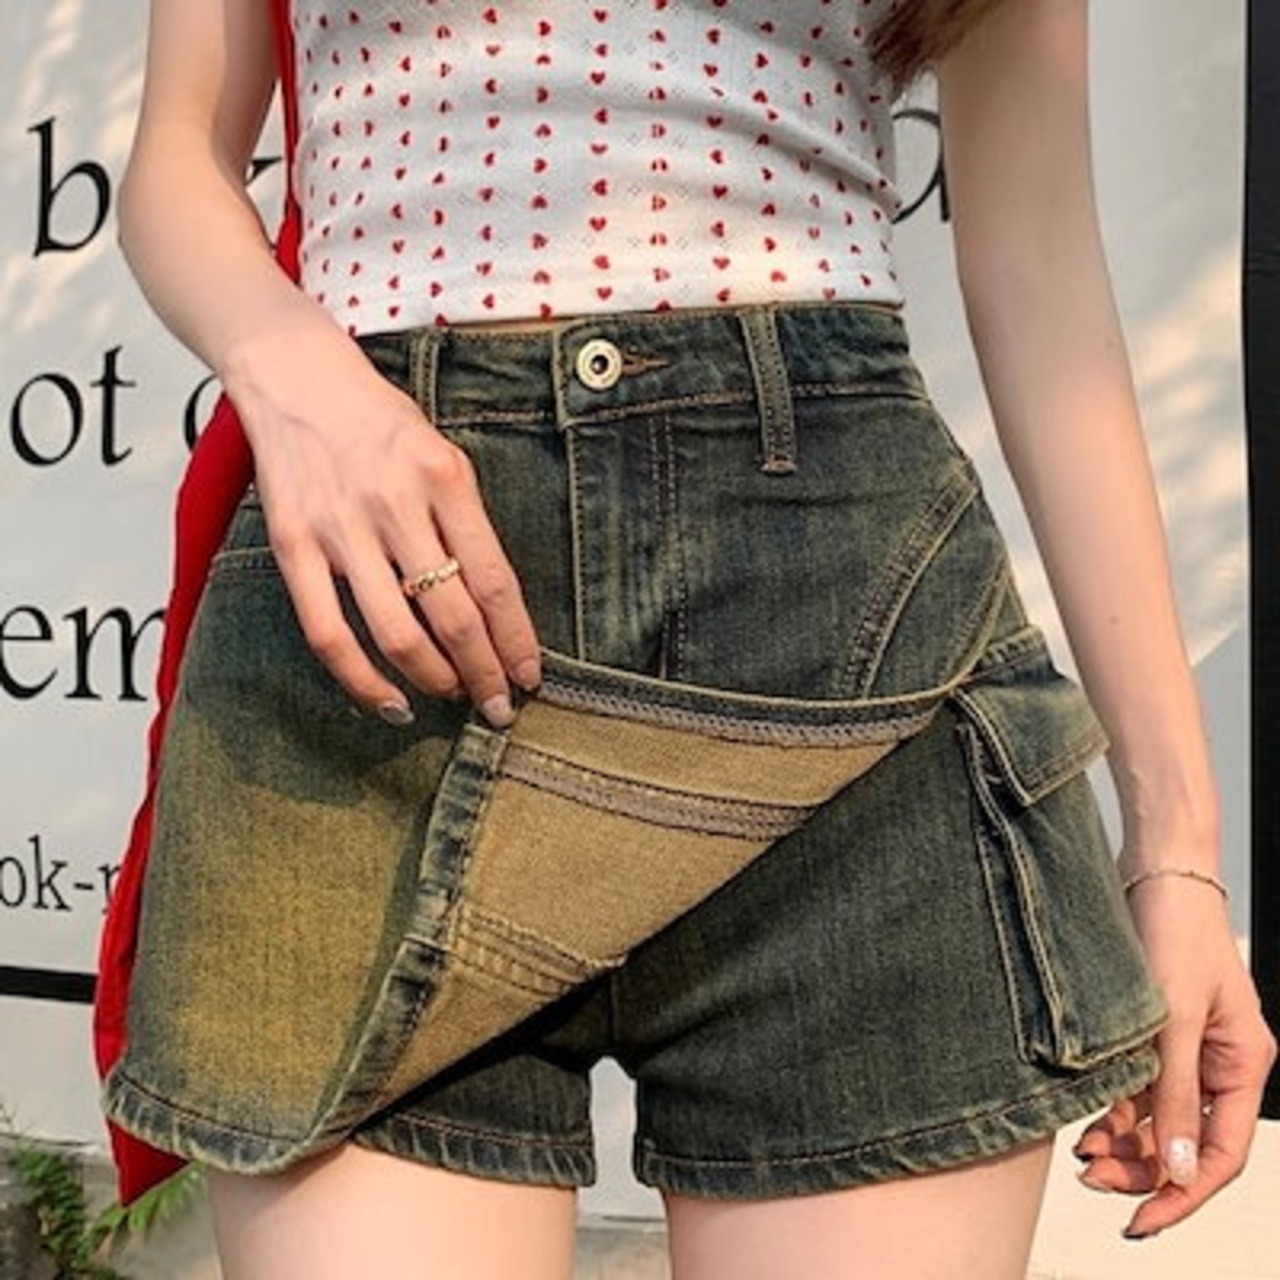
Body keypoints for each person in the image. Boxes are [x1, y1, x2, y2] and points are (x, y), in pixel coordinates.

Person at [100, 1, 1275, 1277]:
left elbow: (1037, 262)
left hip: (850, 663)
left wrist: (1176, 853)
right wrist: (298, 377)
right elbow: (178, 158)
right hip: (387, 631)